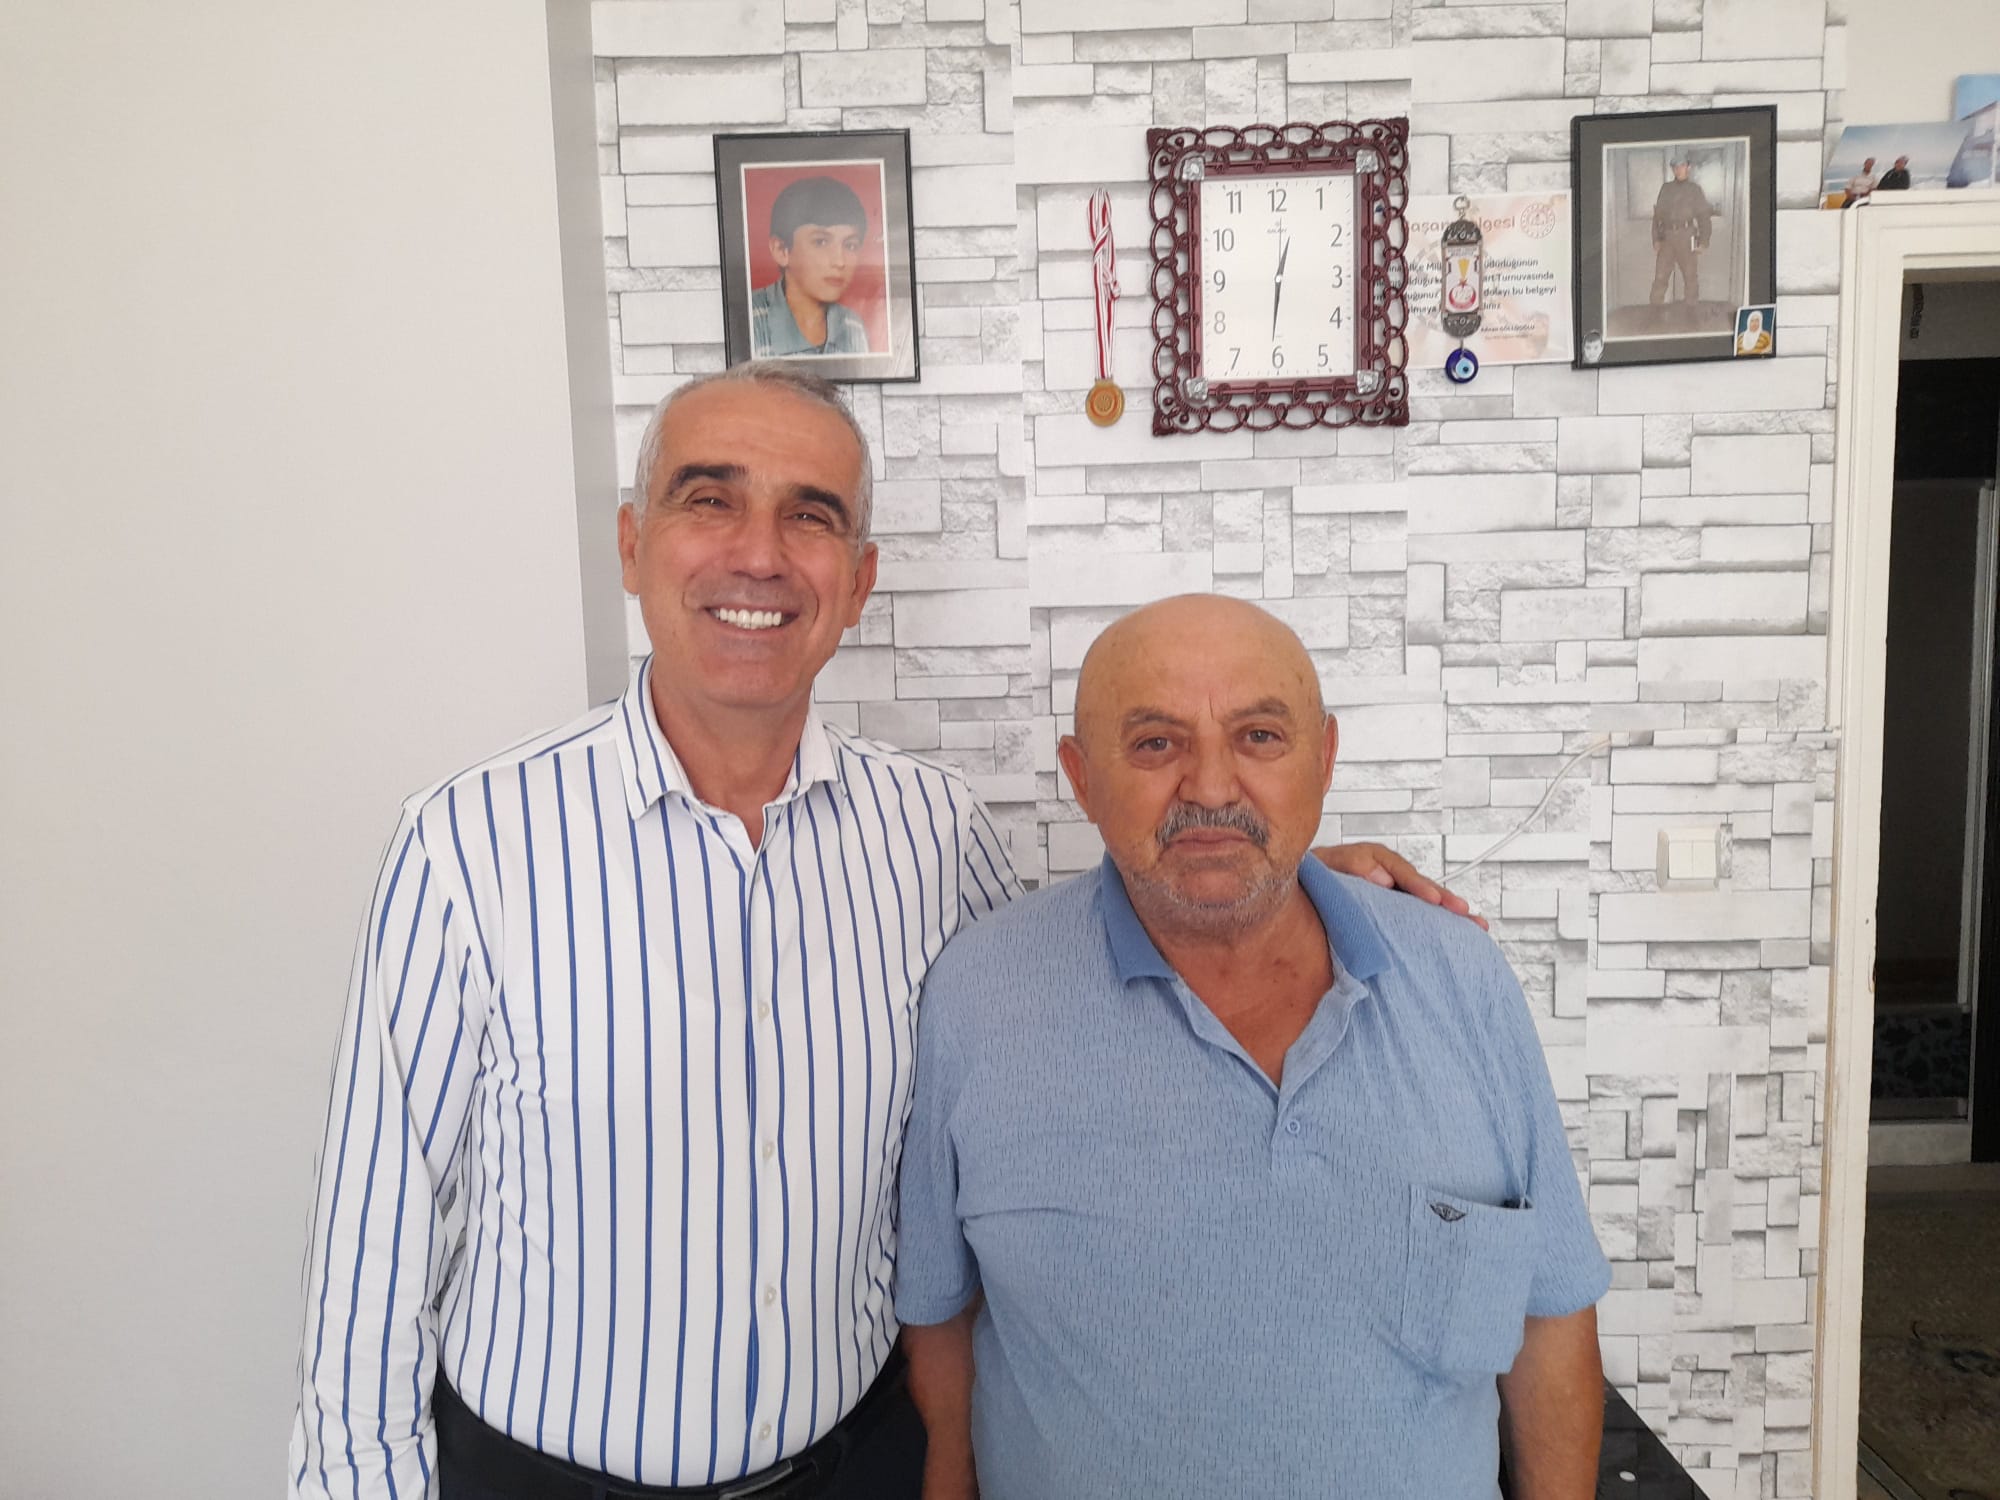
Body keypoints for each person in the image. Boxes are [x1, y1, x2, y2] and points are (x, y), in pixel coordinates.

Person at [288, 363, 1477, 1500]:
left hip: (859, 1469)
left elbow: (1086, 977)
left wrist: (1278, 883)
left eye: (808, 516)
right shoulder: (466, 846)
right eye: (709, 500)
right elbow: (370, 1258)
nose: (759, 554)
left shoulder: (932, 833)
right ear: (632, 544)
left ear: (856, 583)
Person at [896, 594, 1611, 1500]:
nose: (1210, 787)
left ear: (1325, 758)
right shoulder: (978, 994)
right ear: (1081, 777)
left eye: (1260, 737)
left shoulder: (1460, 978)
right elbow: (941, 1316)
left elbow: (1551, 1315)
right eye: (1155, 742)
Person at [750, 176, 872, 358]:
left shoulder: (853, 326)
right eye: (821, 242)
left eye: (850, 245)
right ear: (781, 250)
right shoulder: (749, 319)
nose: (839, 262)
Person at [1649, 155, 1714, 309]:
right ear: (1673, 169)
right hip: (1667, 238)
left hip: (1687, 237)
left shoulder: (1695, 190)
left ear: (1688, 167)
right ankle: (1653, 314)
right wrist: (1656, 239)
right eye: (1675, 167)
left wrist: (1704, 241)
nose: (1678, 170)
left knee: (1690, 278)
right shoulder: (1666, 189)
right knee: (1660, 277)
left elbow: (1704, 217)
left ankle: (1692, 314)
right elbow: (1658, 216)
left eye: (1682, 166)